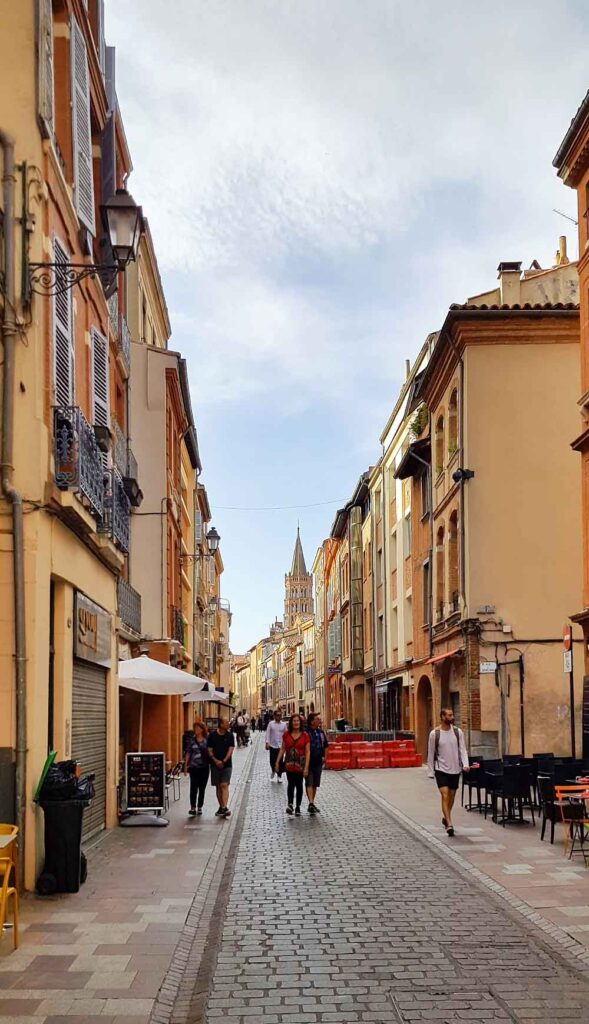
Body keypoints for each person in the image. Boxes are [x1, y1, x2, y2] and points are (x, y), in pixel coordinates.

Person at [427, 707, 469, 836]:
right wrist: (430, 771)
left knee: (451, 796)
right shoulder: (435, 734)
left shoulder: (458, 732)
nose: (452, 717)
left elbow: (462, 749)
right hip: (441, 769)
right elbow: (431, 753)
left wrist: (465, 764)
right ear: (442, 717)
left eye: (452, 715)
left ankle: (446, 817)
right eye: (449, 715)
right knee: (445, 795)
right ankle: (450, 824)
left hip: (455, 769)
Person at [276, 713, 310, 816]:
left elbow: (308, 751)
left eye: (298, 721)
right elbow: (282, 749)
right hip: (289, 763)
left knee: (299, 785)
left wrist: (306, 767)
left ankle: (298, 807)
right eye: (294, 721)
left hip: (300, 764)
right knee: (290, 784)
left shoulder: (305, 735)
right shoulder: (286, 735)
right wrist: (277, 762)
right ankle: (290, 804)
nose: (296, 723)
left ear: (301, 723)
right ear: (291, 723)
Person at [207, 718, 235, 818]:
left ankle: (224, 807)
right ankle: (222, 807)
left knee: (224, 785)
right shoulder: (212, 736)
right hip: (215, 765)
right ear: (221, 724)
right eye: (226, 723)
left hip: (227, 765)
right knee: (218, 786)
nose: (228, 724)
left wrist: (223, 761)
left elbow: (231, 750)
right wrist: (216, 761)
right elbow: (209, 750)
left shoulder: (230, 735)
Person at [184, 722, 210, 816]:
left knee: (202, 788)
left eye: (198, 728)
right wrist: (185, 766)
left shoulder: (207, 740)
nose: (196, 730)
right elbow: (188, 753)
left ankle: (200, 807)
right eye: (195, 728)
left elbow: (210, 752)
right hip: (194, 767)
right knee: (193, 788)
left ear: (202, 729)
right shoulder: (192, 741)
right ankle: (192, 807)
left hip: (204, 767)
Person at [306, 712, 328, 814]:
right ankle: (311, 802)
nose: (319, 720)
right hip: (308, 761)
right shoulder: (306, 733)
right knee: (309, 782)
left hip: (318, 761)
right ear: (312, 721)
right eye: (317, 719)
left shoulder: (321, 733)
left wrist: (325, 757)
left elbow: (325, 746)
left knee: (315, 783)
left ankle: (312, 803)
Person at [265, 708, 287, 781]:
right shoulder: (271, 724)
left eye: (280, 715)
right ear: (274, 716)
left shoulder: (284, 725)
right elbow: (267, 733)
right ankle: (273, 770)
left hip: (280, 746)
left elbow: (286, 735)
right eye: (277, 715)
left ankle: (279, 776)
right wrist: (267, 742)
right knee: (272, 760)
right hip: (272, 745)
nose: (279, 717)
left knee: (280, 761)